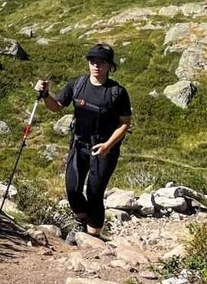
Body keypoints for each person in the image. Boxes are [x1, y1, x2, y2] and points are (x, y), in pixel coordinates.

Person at [34, 43, 133, 238]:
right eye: (93, 61)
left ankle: (93, 239)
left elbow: (124, 124)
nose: (96, 66)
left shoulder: (117, 92)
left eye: (101, 62)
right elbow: (56, 107)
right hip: (79, 145)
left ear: (110, 66)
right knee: (72, 189)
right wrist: (45, 94)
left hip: (105, 149)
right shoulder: (77, 85)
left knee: (95, 194)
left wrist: (107, 146)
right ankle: (82, 222)